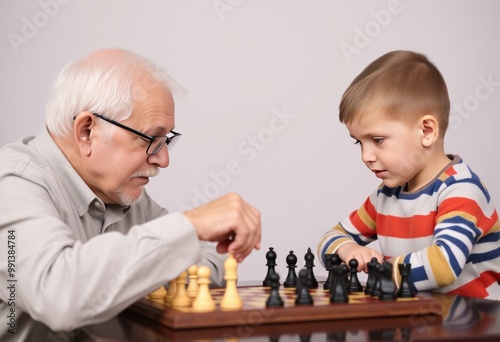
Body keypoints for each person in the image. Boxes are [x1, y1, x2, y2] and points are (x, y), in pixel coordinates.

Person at [0, 48, 261, 332]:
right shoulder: (11, 182)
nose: (163, 159)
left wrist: (145, 268)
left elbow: (210, 258)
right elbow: (57, 295)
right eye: (151, 139)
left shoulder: (121, 195)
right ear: (87, 131)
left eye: (167, 140)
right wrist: (190, 224)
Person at [317, 50, 499, 300]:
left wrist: (379, 273)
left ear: (426, 131)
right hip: (424, 322)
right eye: (358, 142)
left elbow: (444, 265)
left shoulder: (462, 190)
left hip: (480, 324)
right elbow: (330, 238)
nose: (366, 156)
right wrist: (348, 249)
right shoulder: (386, 197)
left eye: (377, 140)